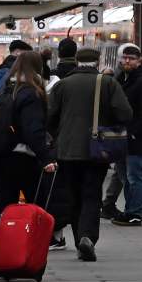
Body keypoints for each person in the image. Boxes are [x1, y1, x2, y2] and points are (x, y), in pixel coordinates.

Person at [47, 47, 133, 262]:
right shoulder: (107, 83)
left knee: (73, 195)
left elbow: (49, 118)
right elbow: (125, 113)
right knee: (92, 194)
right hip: (97, 150)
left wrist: (60, 135)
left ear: (77, 61)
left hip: (67, 151)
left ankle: (79, 240)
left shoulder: (62, 85)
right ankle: (88, 237)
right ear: (98, 61)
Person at [0, 50, 55, 225]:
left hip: (2, 154)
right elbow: (33, 129)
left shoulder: (6, 91)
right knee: (35, 203)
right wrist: (47, 157)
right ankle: (26, 241)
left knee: (5, 204)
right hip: (24, 157)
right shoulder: (30, 93)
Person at [102, 44, 142, 225]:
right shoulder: (121, 78)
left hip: (134, 138)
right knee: (125, 176)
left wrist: (135, 133)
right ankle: (130, 209)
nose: (127, 61)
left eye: (131, 58)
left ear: (139, 61)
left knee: (135, 175)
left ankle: (136, 211)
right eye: (125, 58)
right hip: (120, 136)